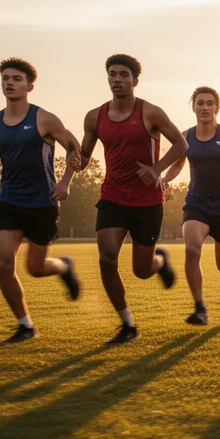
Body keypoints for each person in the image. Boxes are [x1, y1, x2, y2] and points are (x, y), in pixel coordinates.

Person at [0, 58, 82, 342]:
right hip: (9, 201)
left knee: (35, 269)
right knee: (3, 264)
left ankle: (64, 267)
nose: (9, 83)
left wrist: (65, 182)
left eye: (16, 79)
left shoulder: (44, 119)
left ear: (29, 85)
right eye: (5, 78)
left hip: (43, 202)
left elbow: (75, 150)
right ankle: (25, 325)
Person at [79, 54, 186, 344]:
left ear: (135, 80)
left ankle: (159, 263)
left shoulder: (150, 112)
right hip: (112, 196)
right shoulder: (94, 116)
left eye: (123, 74)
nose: (117, 79)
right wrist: (69, 154)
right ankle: (127, 324)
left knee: (141, 270)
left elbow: (181, 143)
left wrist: (157, 169)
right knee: (106, 257)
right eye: (112, 74)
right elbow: (83, 158)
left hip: (147, 201)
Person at [161, 87, 220, 325]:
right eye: (200, 103)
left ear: (217, 108)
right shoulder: (186, 137)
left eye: (210, 103)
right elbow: (176, 165)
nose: (205, 108)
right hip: (197, 203)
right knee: (192, 249)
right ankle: (200, 308)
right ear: (193, 106)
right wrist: (164, 179)